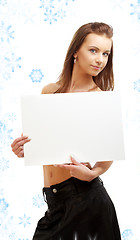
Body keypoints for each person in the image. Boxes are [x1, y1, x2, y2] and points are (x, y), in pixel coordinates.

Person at [11, 22, 121, 240]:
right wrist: (24, 149)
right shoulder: (49, 92)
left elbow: (109, 152)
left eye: (106, 53)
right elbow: (42, 144)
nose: (100, 59)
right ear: (75, 52)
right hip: (54, 205)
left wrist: (93, 173)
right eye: (93, 50)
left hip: (86, 201)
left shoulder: (99, 99)